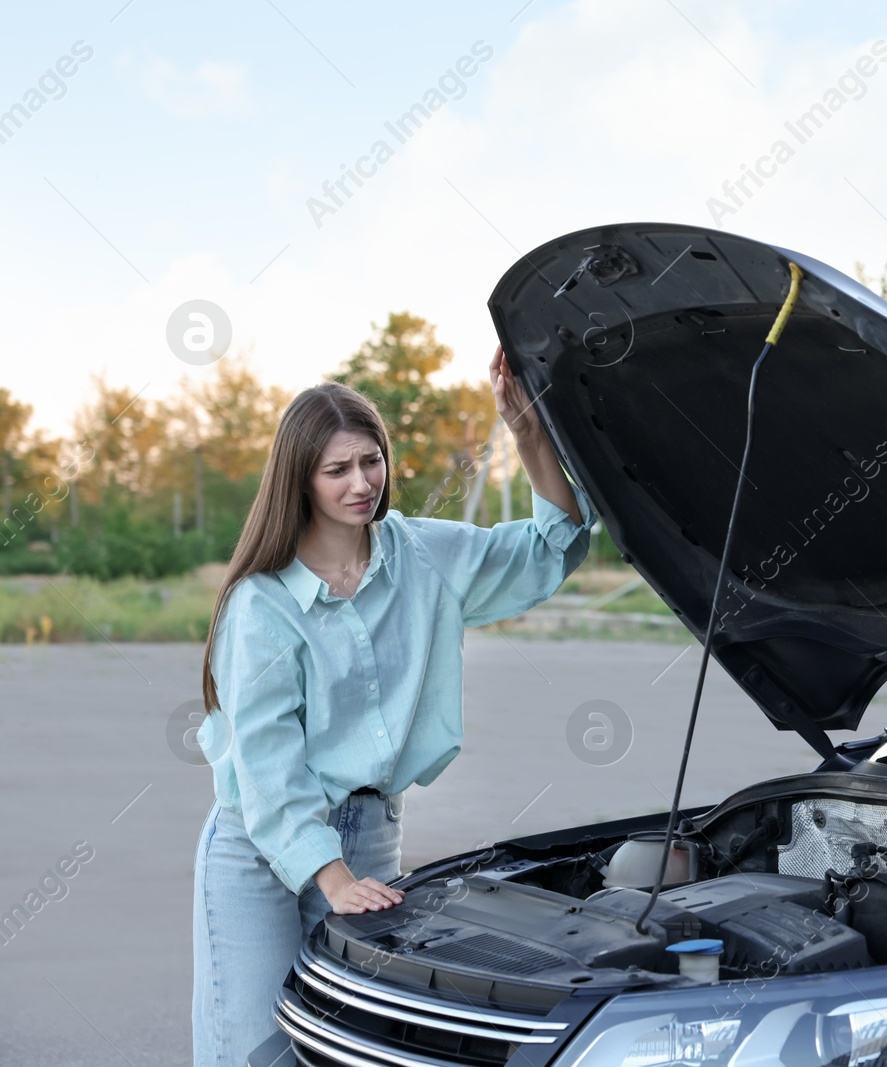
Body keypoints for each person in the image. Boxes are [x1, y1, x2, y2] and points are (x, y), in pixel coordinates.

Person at [190, 346, 593, 1067]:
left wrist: (529, 435)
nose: (361, 483)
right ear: (301, 480)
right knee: (259, 1055)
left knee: (353, 1047)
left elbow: (551, 547)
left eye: (370, 460)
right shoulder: (263, 604)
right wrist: (331, 876)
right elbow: (268, 765)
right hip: (260, 846)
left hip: (369, 833)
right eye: (337, 469)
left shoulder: (422, 555)